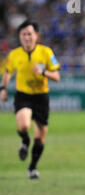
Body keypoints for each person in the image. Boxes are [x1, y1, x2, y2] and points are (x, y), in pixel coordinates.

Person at [0, 20, 60, 179]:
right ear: (20, 37)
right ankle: (25, 141)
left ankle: (32, 167)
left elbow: (57, 76)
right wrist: (3, 88)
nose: (27, 37)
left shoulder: (46, 52)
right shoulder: (14, 54)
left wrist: (43, 73)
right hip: (23, 95)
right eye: (23, 34)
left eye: (29, 34)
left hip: (41, 97)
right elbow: (7, 72)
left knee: (40, 138)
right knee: (24, 124)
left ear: (36, 36)